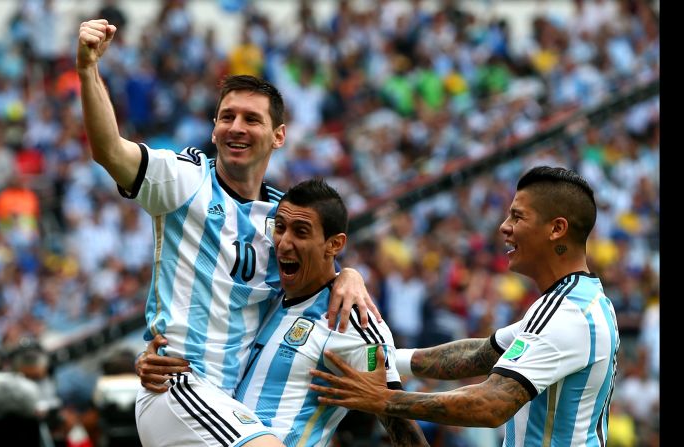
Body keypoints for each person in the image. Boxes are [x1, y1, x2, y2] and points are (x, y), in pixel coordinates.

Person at [77, 19, 378, 447]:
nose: (236, 127)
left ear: (278, 136)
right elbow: (108, 149)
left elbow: (320, 272)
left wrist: (351, 275)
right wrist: (88, 70)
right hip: (180, 387)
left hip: (234, 403)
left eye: (251, 119)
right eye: (227, 117)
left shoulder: (283, 219)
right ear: (214, 128)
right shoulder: (183, 180)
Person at [310, 166, 620, 447]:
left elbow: (490, 404)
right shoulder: (580, 301)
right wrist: (386, 358)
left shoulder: (567, 314)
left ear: (556, 229)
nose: (504, 226)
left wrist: (383, 399)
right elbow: (479, 354)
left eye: (517, 216)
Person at [233, 178, 428, 446]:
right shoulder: (266, 291)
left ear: (334, 245)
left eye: (300, 232)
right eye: (280, 228)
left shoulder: (352, 320)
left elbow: (403, 427)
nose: (284, 243)